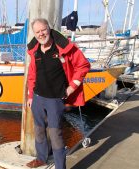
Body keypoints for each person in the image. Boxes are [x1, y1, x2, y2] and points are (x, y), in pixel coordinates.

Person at [26, 18, 90, 169]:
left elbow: (83, 65)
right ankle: (41, 158)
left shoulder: (63, 47)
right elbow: (32, 75)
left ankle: (60, 166)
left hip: (55, 100)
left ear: (49, 28)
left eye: (43, 30)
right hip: (37, 98)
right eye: (37, 32)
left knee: (56, 136)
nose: (41, 34)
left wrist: (71, 88)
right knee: (39, 130)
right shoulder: (35, 50)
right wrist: (30, 96)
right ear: (34, 34)